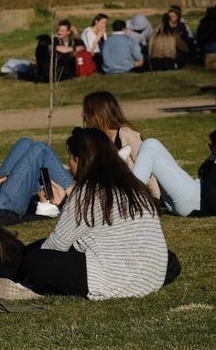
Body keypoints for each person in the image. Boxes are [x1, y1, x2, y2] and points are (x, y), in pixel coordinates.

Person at [21, 127, 171, 299]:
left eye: (70, 157)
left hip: (112, 278)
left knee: (34, 260)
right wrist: (65, 203)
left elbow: (56, 245)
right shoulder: (134, 185)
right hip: (150, 276)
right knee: (169, 258)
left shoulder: (88, 191)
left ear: (78, 159)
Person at [81, 90, 200, 216]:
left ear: (98, 113)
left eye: (86, 110)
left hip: (160, 196)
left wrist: (155, 199)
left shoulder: (125, 134)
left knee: (150, 144)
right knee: (150, 144)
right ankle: (131, 194)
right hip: (176, 200)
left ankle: (131, 195)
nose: (83, 115)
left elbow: (150, 171)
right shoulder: (97, 142)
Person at [0, 137, 74, 223]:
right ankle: (75, 195)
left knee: (25, 143)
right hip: (1, 204)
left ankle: (46, 200)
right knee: (41, 149)